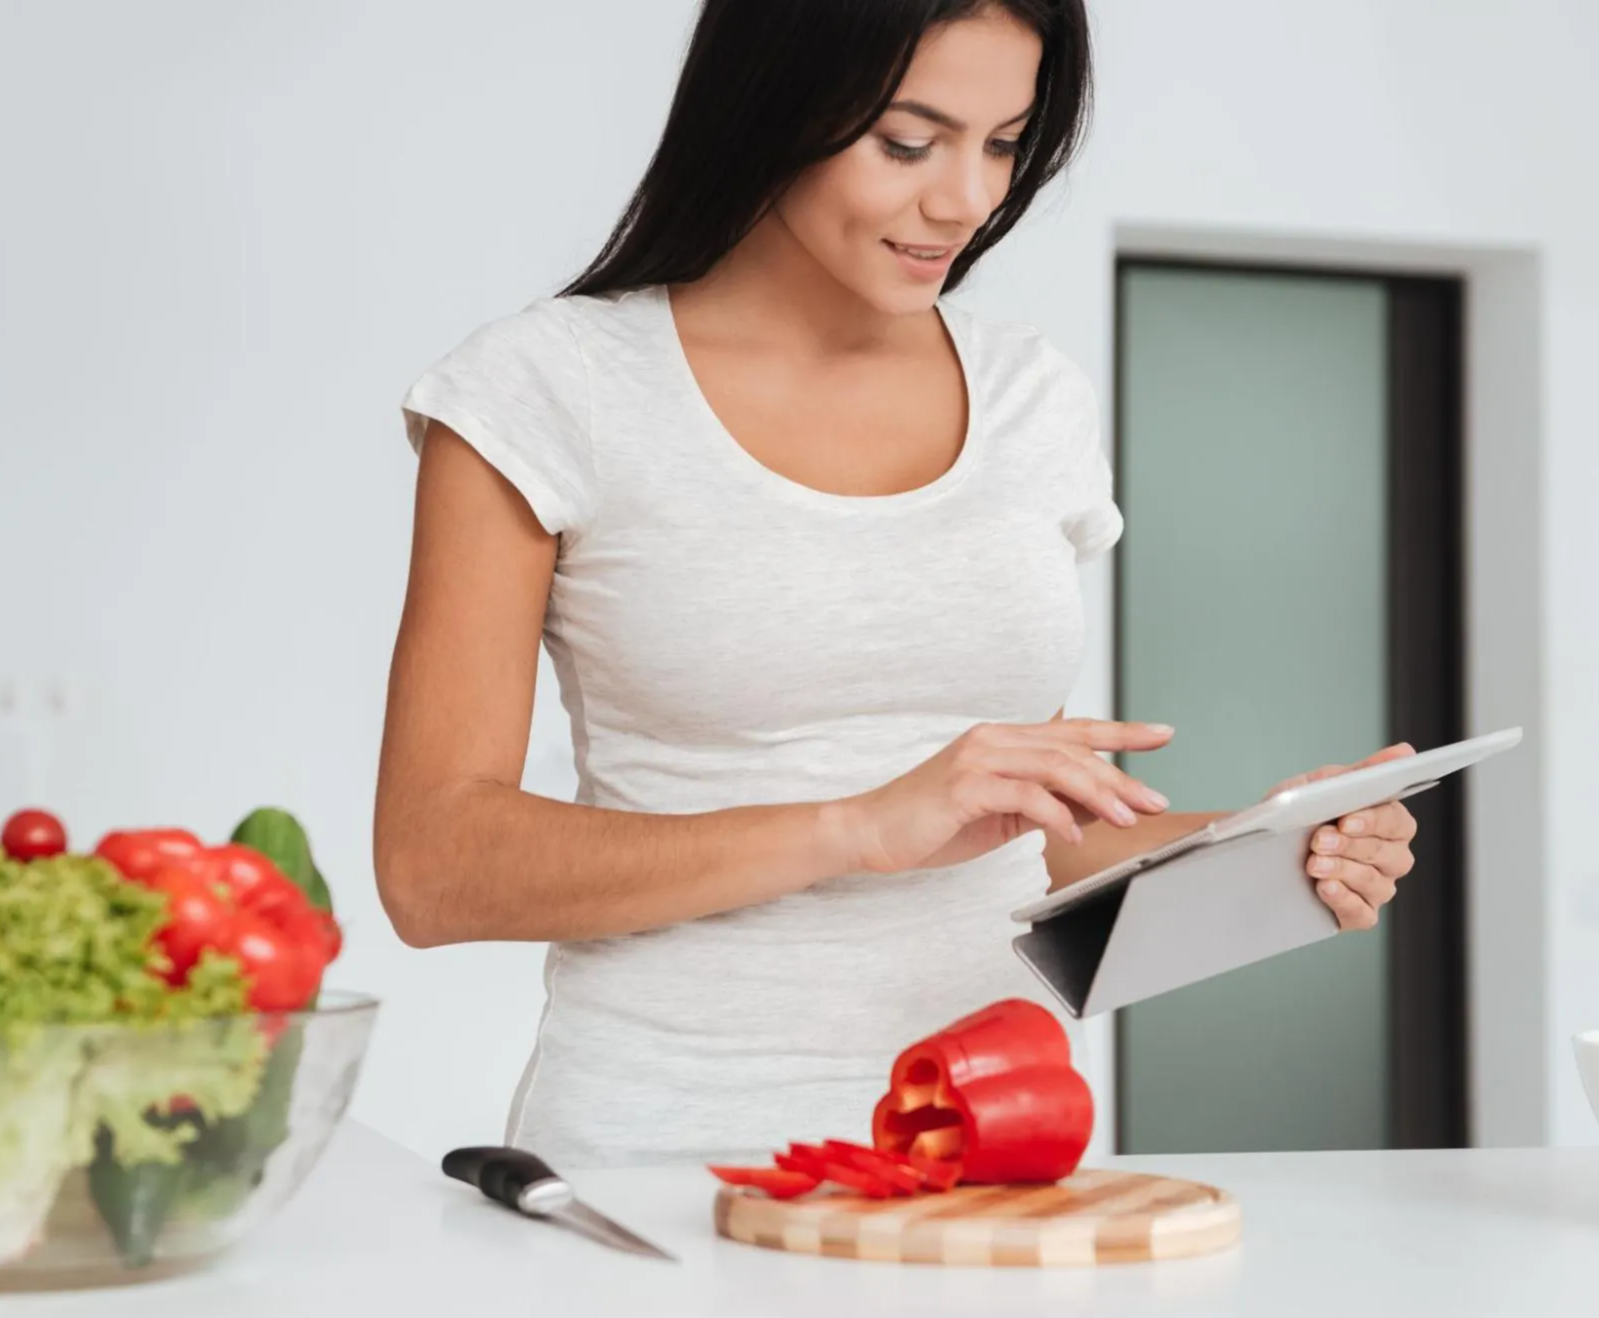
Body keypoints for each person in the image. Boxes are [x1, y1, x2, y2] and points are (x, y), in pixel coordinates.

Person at [375, 0, 1418, 1168]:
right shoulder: (543, 390)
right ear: (770, 107)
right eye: (907, 142)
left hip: (999, 1144)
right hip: (662, 1154)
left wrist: (1272, 852)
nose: (965, 200)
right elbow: (432, 867)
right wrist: (856, 826)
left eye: (1003, 143)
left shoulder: (1034, 400)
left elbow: (1005, 838)